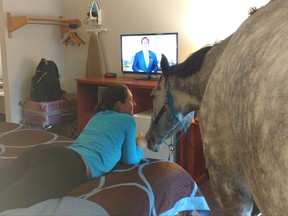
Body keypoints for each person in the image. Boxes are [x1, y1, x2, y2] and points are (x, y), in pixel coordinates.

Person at [0, 84, 148, 212]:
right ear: (119, 104)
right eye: (130, 100)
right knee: (9, 202)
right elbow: (130, 159)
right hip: (70, 166)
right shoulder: (127, 120)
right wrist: (140, 146)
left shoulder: (98, 116)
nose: (134, 103)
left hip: (49, 152)